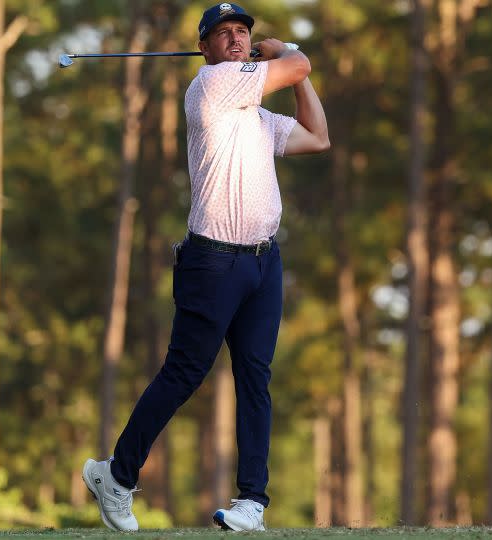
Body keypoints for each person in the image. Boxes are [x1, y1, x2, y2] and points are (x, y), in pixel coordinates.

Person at [82, 2, 329, 532]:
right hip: (213, 262)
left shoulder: (258, 117)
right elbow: (299, 66)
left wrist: (291, 71)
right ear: (205, 48)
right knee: (185, 372)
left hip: (263, 263)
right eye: (224, 34)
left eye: (243, 32)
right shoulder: (212, 87)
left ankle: (252, 503)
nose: (237, 40)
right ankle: (116, 476)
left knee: (255, 380)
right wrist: (284, 52)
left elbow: (318, 137)